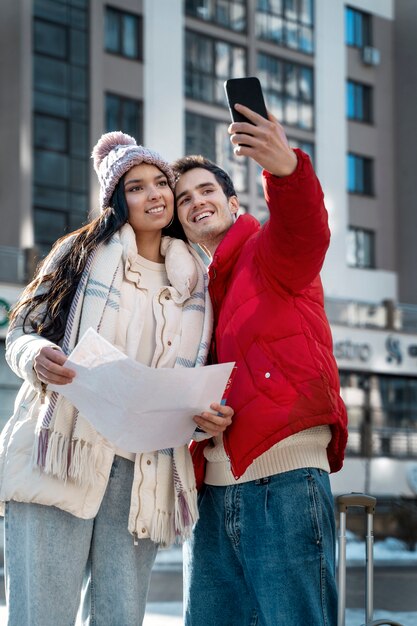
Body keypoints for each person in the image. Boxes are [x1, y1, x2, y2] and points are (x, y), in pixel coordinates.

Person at [0, 131, 233, 626]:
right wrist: (38, 354)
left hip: (142, 469)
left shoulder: (198, 281)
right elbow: (20, 331)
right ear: (117, 201)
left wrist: (201, 418)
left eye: (160, 183)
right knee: (41, 615)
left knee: (120, 617)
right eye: (136, 187)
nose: (155, 195)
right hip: (61, 453)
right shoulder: (79, 255)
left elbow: (190, 380)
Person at [172, 104, 348, 626]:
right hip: (213, 496)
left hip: (285, 484)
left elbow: (305, 228)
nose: (195, 201)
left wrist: (285, 169)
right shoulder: (197, 296)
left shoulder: (268, 252)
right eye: (184, 199)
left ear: (231, 203)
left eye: (206, 190)